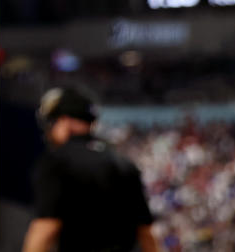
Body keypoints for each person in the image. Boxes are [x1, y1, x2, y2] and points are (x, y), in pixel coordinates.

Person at [22, 87, 158, 252]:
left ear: (65, 121)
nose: (50, 132)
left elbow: (46, 228)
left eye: (52, 123)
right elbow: (146, 234)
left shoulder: (56, 162)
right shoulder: (123, 163)